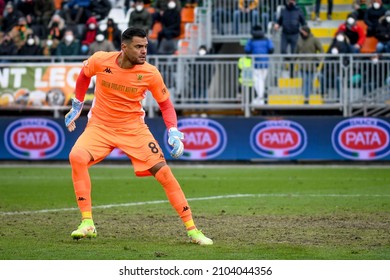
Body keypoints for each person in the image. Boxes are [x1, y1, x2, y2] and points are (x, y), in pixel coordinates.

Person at [64, 26, 213, 245]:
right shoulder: (100, 60)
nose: (144, 51)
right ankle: (87, 223)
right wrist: (77, 105)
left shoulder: (150, 73)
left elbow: (166, 105)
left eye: (146, 46)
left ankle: (193, 230)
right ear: (124, 48)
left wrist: (172, 130)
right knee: (76, 156)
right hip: (100, 127)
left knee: (164, 173)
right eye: (139, 46)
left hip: (134, 129)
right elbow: (83, 76)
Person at [244, 25, 274, 105]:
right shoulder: (267, 39)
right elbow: (271, 49)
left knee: (257, 80)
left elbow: (247, 50)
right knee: (262, 80)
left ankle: (260, 98)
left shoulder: (251, 40)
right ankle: (260, 98)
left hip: (256, 63)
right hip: (265, 63)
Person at [295, 25, 324, 103]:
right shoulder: (299, 40)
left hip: (311, 65)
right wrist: (293, 61)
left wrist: (318, 59)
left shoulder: (314, 39)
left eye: (303, 32)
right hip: (302, 65)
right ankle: (306, 97)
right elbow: (296, 52)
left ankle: (307, 96)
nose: (301, 33)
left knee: (309, 81)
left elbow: (321, 50)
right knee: (305, 80)